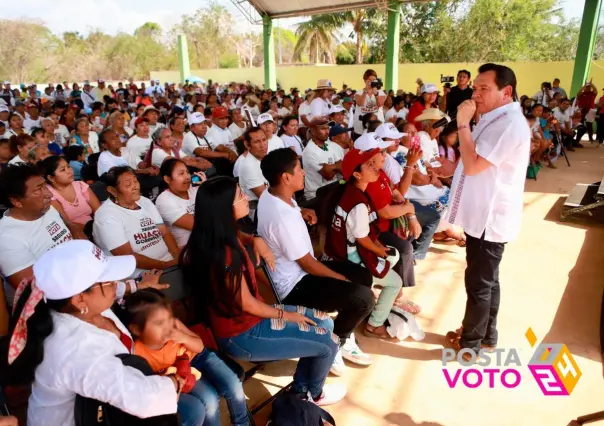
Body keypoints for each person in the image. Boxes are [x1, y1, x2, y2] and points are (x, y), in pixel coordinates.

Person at [179, 175, 346, 405]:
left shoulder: (215, 236)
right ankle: (313, 394)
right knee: (329, 342)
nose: (246, 197)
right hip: (243, 333)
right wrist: (288, 315)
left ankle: (300, 389)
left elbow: (238, 240)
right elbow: (248, 304)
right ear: (225, 208)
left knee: (325, 323)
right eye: (240, 195)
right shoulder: (223, 255)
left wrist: (254, 238)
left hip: (249, 318)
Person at [1, 240, 182, 425]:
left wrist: (136, 286)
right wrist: (173, 384)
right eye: (109, 281)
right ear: (80, 299)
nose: (116, 284)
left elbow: (113, 289)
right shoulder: (75, 348)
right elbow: (143, 399)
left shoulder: (75, 306)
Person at [257, 148, 375, 376]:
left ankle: (344, 333)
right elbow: (308, 264)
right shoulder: (282, 218)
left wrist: (301, 211)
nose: (303, 173)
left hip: (302, 271)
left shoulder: (271, 194)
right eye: (299, 169)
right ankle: (333, 345)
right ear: (286, 177)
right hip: (295, 285)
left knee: (363, 276)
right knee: (363, 298)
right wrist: (341, 280)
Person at [444, 63, 530, 361]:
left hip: (489, 219)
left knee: (479, 284)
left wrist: (464, 123)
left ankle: (471, 344)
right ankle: (485, 334)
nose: (476, 94)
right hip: (483, 217)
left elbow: (473, 164)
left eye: (484, 89)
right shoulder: (496, 117)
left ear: (506, 92)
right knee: (487, 280)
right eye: (475, 88)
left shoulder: (508, 124)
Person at [124, 289, 249, 426]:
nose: (167, 327)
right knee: (210, 400)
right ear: (136, 329)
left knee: (233, 384)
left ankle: (242, 423)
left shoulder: (175, 326)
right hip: (180, 374)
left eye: (169, 319)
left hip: (199, 356)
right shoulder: (137, 352)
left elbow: (200, 347)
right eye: (159, 323)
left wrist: (183, 337)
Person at [323, 148, 407, 338]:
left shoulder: (348, 191)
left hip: (339, 251)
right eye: (370, 165)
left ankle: (369, 293)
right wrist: (380, 252)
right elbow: (362, 239)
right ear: (356, 174)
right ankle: (374, 325)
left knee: (395, 254)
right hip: (349, 258)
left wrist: (380, 249)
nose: (376, 167)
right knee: (395, 282)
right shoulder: (358, 202)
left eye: (374, 163)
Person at [0, 164, 89, 304]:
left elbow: (64, 222)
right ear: (16, 201)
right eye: (38, 190)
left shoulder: (47, 210)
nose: (49, 194)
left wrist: (73, 228)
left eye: (44, 186)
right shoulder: (7, 238)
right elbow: (36, 290)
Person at [92, 166, 180, 278]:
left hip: (168, 262)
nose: (135, 186)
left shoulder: (145, 202)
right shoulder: (106, 216)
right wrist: (166, 266)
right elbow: (127, 256)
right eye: (128, 184)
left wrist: (177, 257)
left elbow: (165, 233)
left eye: (135, 180)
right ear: (112, 190)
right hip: (139, 273)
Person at [41, 156, 101, 230]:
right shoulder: (49, 193)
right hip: (73, 233)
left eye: (68, 166)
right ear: (51, 178)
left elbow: (99, 212)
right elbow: (66, 223)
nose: (69, 171)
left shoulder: (80, 185)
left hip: (95, 227)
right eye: (63, 170)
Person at [155, 159, 205, 249]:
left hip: (208, 239)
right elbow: (200, 225)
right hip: (189, 247)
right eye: (181, 173)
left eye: (187, 172)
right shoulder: (164, 200)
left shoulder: (194, 189)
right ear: (167, 179)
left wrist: (207, 188)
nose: (187, 177)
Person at [302, 119, 345, 201]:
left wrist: (331, 167)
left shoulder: (330, 145)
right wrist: (336, 166)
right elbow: (328, 176)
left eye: (328, 128)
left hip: (332, 190)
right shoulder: (309, 151)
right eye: (323, 129)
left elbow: (342, 168)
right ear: (313, 131)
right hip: (316, 196)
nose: (327, 132)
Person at [238, 127, 268, 220]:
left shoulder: (267, 158)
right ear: (247, 145)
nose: (263, 145)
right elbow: (265, 197)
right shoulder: (248, 166)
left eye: (264, 140)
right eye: (257, 142)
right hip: (257, 210)